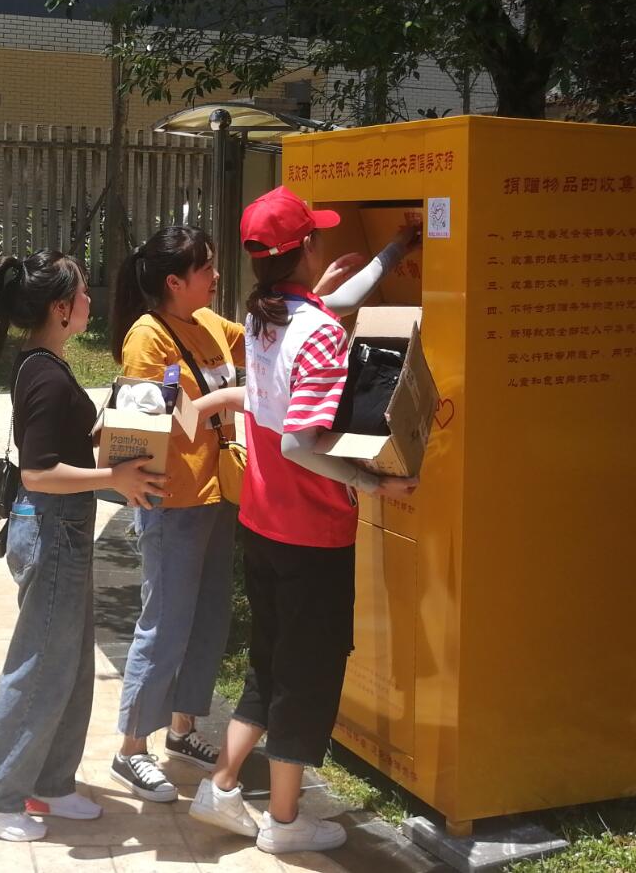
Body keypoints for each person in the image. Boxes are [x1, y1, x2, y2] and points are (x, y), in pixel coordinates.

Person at [188, 186, 419, 854]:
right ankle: (285, 823)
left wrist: (395, 250)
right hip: (311, 532)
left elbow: (330, 308)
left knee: (270, 660)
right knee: (308, 671)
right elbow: (299, 442)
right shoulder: (315, 331)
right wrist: (370, 481)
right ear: (308, 247)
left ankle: (222, 784)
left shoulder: (265, 315)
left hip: (263, 523)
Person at [0, 249, 170, 842]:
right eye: (82, 293)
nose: (90, 300)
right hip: (52, 529)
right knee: (39, 666)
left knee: (68, 662)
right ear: (59, 307)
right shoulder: (45, 375)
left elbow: (63, 445)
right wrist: (114, 477)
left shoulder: (46, 363)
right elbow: (39, 472)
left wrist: (113, 427)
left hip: (63, 529)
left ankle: (49, 781)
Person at [104, 226, 248, 803]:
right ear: (174, 281)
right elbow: (152, 421)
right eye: (205, 267)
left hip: (216, 493)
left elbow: (266, 341)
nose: (215, 275)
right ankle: (131, 748)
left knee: (208, 618)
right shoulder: (148, 337)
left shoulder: (210, 323)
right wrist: (227, 400)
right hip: (171, 501)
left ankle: (183, 728)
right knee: (164, 622)